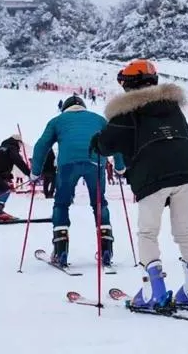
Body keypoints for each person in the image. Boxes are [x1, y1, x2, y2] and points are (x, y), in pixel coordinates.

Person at [91, 59, 188, 310]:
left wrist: (96, 141)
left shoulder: (126, 111)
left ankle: (153, 290)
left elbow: (105, 145)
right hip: (187, 171)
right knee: (184, 231)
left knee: (148, 233)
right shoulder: (172, 107)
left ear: (128, 85)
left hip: (152, 175)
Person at [31, 95, 124, 268]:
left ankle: (60, 249)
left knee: (61, 204)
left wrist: (35, 173)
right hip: (96, 162)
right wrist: (120, 167)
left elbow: (41, 145)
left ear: (64, 108)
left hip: (68, 163)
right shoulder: (99, 119)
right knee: (99, 203)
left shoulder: (57, 121)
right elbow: (115, 142)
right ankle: (106, 248)